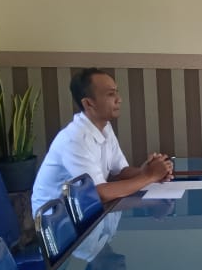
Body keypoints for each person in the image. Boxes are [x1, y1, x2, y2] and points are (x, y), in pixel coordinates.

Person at [31, 68, 173, 215]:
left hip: (85, 210)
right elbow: (99, 193)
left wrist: (146, 171)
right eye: (111, 94)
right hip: (57, 220)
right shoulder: (75, 139)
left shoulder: (105, 127)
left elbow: (120, 172)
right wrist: (149, 176)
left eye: (116, 92)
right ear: (88, 103)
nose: (119, 99)